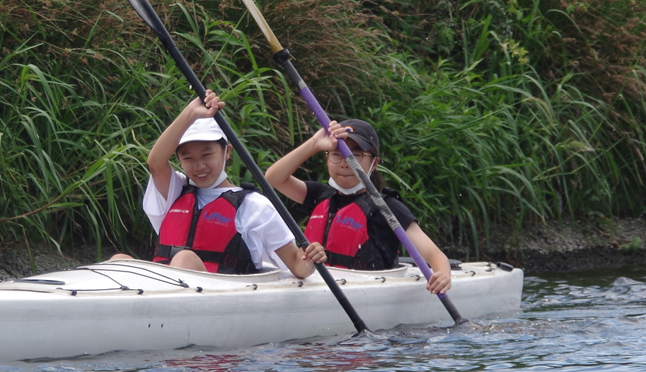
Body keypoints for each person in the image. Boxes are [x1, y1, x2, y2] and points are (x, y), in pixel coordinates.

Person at [119, 90, 326, 277]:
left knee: (184, 259)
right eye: (188, 158)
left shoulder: (254, 205)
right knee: (120, 261)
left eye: (207, 154)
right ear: (179, 160)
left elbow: (298, 266)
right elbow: (155, 163)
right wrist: (190, 112)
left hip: (219, 297)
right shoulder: (175, 190)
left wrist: (311, 258)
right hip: (164, 290)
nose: (199, 166)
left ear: (227, 152)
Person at [264, 118, 453, 294]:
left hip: (366, 289)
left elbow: (435, 255)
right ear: (327, 159)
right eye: (337, 155)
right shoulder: (318, 195)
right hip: (317, 285)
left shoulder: (387, 207)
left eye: (355, 156)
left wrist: (443, 274)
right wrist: (314, 144)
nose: (345, 163)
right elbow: (273, 178)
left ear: (374, 163)